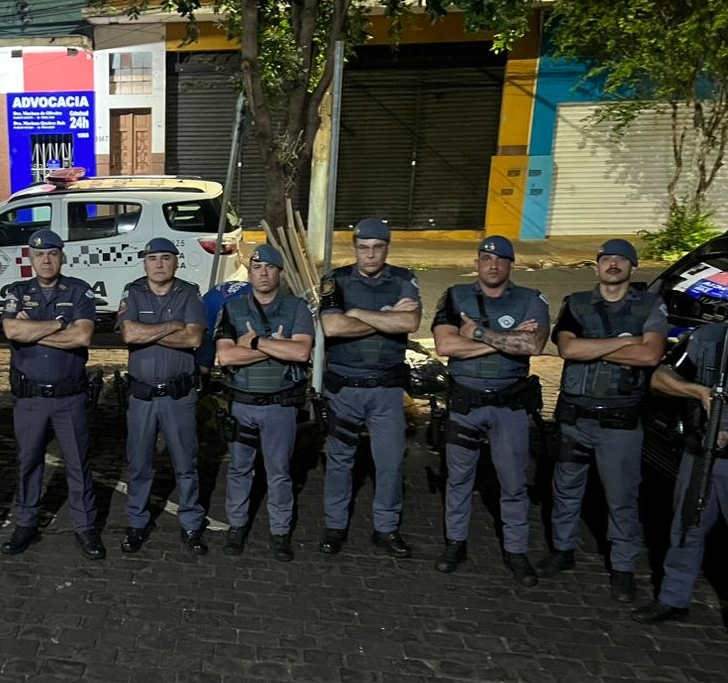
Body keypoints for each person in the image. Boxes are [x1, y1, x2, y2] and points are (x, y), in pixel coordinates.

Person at [537, 239, 665, 602]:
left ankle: (623, 568)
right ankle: (562, 551)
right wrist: (625, 342)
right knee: (565, 489)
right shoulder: (576, 304)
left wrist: (596, 347)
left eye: (620, 260)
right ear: (596, 266)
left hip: (619, 422)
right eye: (606, 259)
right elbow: (568, 349)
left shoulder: (649, 305)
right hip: (575, 417)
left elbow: (651, 354)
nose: (612, 265)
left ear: (632, 266)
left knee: (622, 497)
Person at [431, 235, 549, 585]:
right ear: (477, 263)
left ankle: (516, 551)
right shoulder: (455, 296)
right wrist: (505, 344)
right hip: (465, 402)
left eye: (500, 260)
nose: (492, 265)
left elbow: (534, 344)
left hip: (508, 405)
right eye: (485, 258)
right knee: (458, 479)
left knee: (513, 482)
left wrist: (478, 333)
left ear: (511, 264)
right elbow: (444, 344)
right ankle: (455, 544)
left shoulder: (530, 299)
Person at [318, 218, 421, 558]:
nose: (370, 255)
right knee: (339, 461)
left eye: (377, 248)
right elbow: (331, 326)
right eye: (363, 248)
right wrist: (385, 318)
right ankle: (335, 527)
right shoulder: (336, 280)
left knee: (390, 463)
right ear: (355, 248)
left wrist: (359, 312)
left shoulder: (404, 279)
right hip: (344, 388)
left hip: (387, 389)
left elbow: (409, 322)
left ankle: (386, 529)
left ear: (387, 248)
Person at [0, 229, 105, 560]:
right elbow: (11, 330)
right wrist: (60, 324)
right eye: (39, 254)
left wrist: (33, 332)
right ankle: (26, 523)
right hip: (30, 399)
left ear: (62, 256)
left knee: (77, 464)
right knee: (29, 462)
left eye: (52, 253)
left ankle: (85, 528)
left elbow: (83, 337)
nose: (46, 259)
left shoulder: (79, 291)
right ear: (30, 258)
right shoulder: (17, 291)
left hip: (69, 397)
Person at [214, 245, 314, 562]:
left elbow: (301, 353)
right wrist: (276, 347)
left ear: (279, 273)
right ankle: (237, 527)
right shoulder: (233, 309)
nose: (263, 273)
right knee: (240, 469)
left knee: (279, 472)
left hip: (280, 404)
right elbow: (225, 356)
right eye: (257, 268)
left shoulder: (296, 308)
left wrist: (255, 342)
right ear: (251, 272)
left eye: (270, 268)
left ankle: (280, 532)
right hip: (242, 403)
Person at [632, 322, 728, 624]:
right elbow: (660, 378)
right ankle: (674, 598)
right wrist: (697, 391)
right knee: (688, 524)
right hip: (700, 452)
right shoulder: (709, 337)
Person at [116, 237, 208, 555]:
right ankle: (137, 524)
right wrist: (171, 326)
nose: (158, 264)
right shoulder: (133, 291)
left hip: (178, 397)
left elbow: (194, 338)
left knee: (186, 463)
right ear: (144, 262)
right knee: (139, 464)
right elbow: (129, 334)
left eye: (165, 258)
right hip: (141, 397)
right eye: (152, 258)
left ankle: (192, 524)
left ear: (175, 262)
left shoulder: (189, 292)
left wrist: (148, 332)